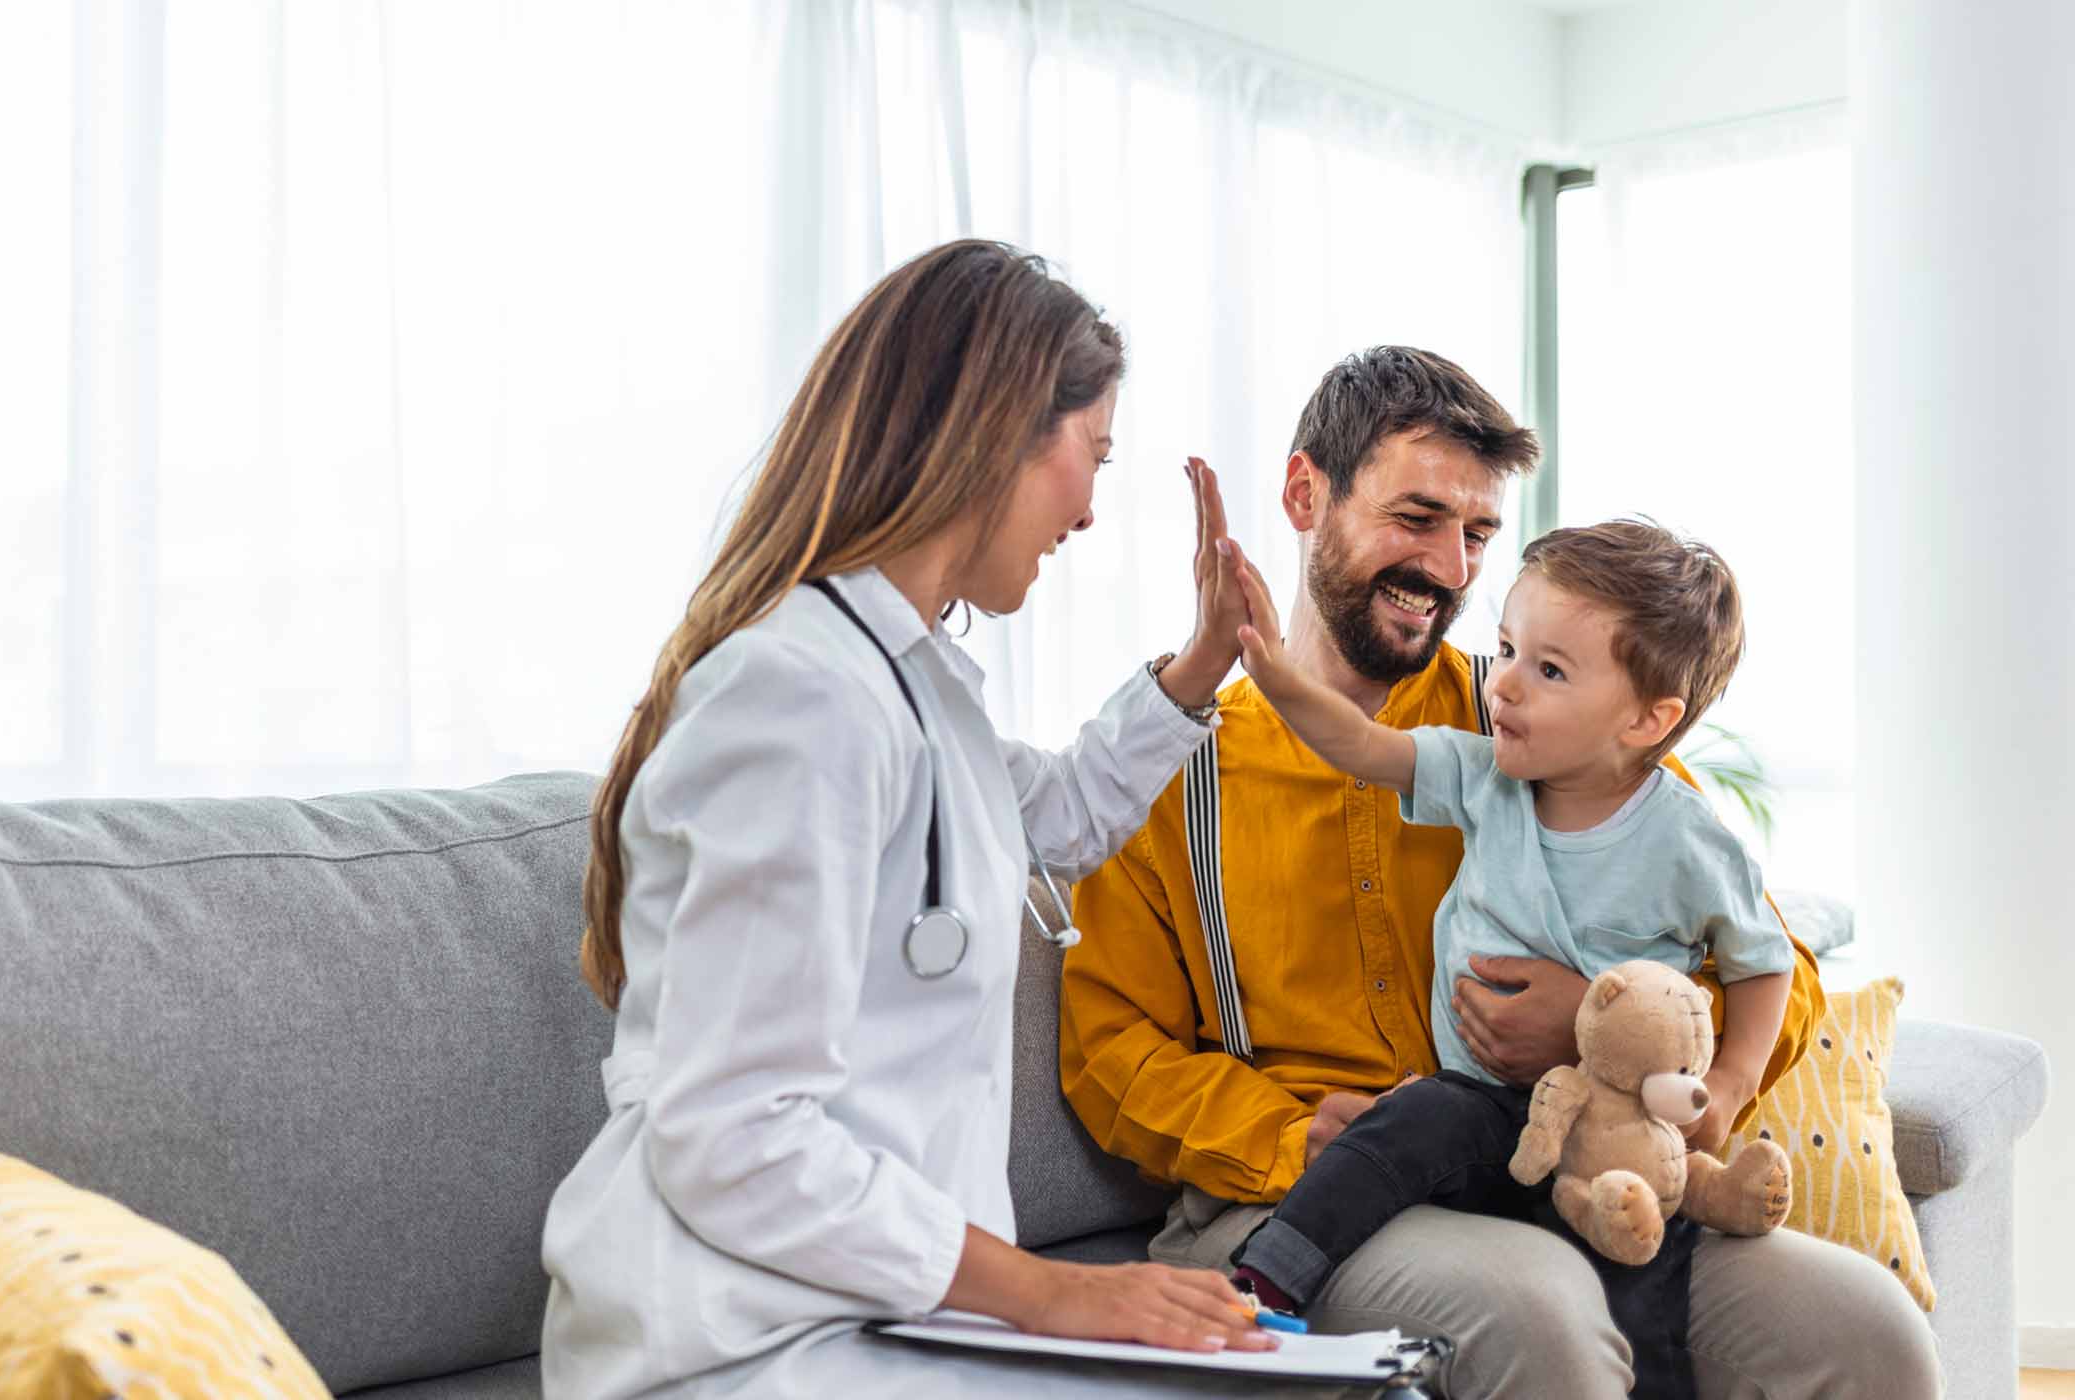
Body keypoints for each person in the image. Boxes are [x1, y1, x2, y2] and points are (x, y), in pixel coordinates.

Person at [1060, 346, 1941, 1398]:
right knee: (1538, 1311)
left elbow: (1773, 970)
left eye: (1476, 533)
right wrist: (1290, 1135)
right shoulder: (1171, 764)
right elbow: (1110, 1050)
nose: (1450, 566)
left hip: (1568, 1166)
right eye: (1417, 516)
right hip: (1305, 1202)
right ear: (1305, 494)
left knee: (1867, 1330)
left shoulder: (1551, 717)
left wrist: (1601, 1024)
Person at [540, 239, 1281, 1398]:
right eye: (1092, 455)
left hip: (878, 1323)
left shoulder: (903, 681)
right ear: (997, 431)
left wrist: (1201, 666)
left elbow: (1054, 816)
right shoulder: (801, 693)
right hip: (741, 1342)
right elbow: (732, 1132)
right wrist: (1054, 1292)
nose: (1090, 509)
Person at [1217, 518, 1798, 1398]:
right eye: (1508, 649)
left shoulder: (1686, 840)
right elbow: (1361, 745)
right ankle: (1266, 1280)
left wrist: (1727, 1085)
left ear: (1648, 718)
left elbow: (1764, 961)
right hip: (1485, 1107)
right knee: (1404, 1126)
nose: (1506, 685)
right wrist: (1274, 676)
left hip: (1618, 1134)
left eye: (1550, 670)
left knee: (1641, 1297)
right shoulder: (1485, 777)